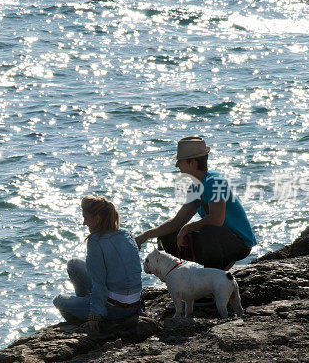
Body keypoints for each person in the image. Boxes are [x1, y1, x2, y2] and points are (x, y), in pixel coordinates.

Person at [135, 136, 256, 270]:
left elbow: (217, 220)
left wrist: (187, 228)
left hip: (239, 244)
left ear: (192, 163)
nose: (176, 165)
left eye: (180, 161)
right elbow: (177, 222)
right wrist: (145, 236)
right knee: (166, 237)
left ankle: (214, 273)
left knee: (207, 230)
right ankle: (179, 277)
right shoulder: (195, 187)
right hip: (218, 240)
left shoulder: (216, 181)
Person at [53, 196, 143, 332]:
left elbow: (99, 284)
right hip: (134, 305)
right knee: (73, 264)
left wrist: (94, 315)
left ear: (98, 218)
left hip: (115, 309)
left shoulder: (95, 242)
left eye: (86, 217)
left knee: (58, 300)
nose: (84, 223)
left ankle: (88, 318)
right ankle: (88, 302)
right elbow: (133, 274)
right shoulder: (126, 234)